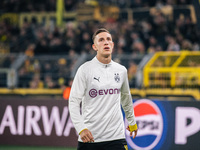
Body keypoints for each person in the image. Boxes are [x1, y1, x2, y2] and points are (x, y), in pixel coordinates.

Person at [69, 28, 138, 150]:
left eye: (108, 39)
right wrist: (81, 129)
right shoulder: (85, 70)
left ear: (112, 45)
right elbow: (73, 102)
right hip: (90, 138)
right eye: (101, 40)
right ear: (94, 47)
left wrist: (131, 121)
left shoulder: (121, 70)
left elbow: (126, 98)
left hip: (116, 137)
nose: (106, 42)